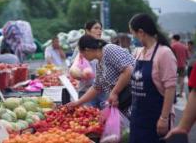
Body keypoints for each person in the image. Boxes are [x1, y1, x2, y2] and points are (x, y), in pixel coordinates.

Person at [129, 13, 177, 143]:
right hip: (137, 117)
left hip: (156, 118)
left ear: (141, 32)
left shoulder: (164, 53)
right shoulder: (138, 53)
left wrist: (164, 118)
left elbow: (170, 88)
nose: (132, 37)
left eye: (133, 34)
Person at [67, 35, 135, 113]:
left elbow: (128, 70)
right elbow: (96, 87)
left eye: (83, 54)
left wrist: (114, 92)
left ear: (87, 50)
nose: (84, 57)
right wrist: (78, 102)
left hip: (135, 96)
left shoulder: (109, 50)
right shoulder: (99, 64)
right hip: (126, 100)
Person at [71, 20, 107, 109]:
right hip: (86, 90)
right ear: (87, 31)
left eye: (100, 28)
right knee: (89, 118)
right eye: (96, 28)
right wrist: (81, 75)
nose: (99, 31)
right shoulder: (81, 47)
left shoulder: (105, 47)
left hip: (103, 91)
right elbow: (73, 68)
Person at [165, 63, 196, 141]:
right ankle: (181, 92)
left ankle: (180, 93)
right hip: (182, 66)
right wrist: (183, 127)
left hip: (178, 65)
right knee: (181, 80)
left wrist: (183, 127)